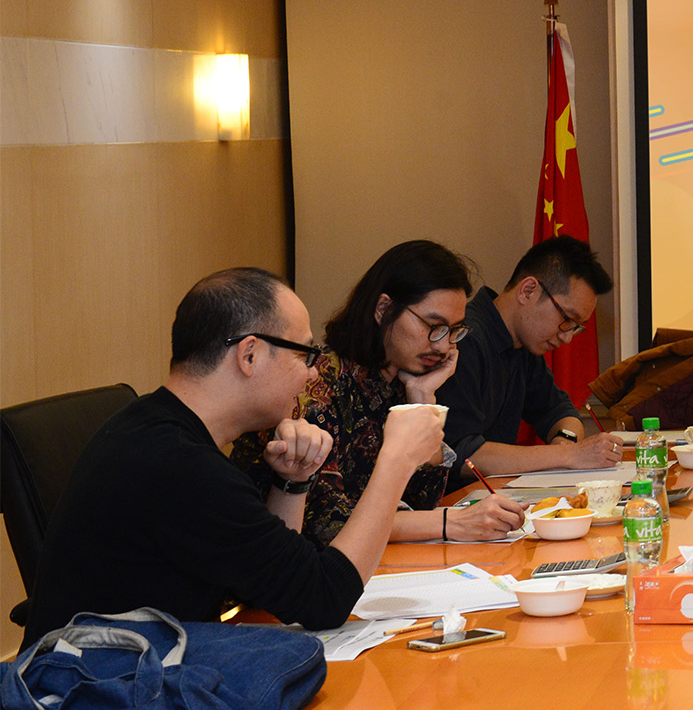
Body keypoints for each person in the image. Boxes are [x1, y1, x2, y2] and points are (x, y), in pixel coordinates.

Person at [22, 268, 444, 645]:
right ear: (249, 355)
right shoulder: (181, 465)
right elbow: (324, 600)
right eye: (304, 354)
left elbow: (268, 587)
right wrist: (396, 460)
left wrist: (292, 482)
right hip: (92, 690)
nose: (313, 372)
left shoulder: (157, 427)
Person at [229, 241, 527, 545]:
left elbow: (424, 500)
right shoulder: (315, 383)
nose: (443, 345)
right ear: (383, 309)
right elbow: (325, 524)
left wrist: (422, 399)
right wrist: (452, 522)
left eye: (453, 331)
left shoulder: (401, 383)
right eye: (433, 326)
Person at [437, 235, 619, 475]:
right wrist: (567, 455)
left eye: (576, 327)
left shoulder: (524, 344)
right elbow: (459, 454)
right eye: (566, 319)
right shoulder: (463, 339)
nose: (567, 338)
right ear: (528, 290)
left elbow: (560, 412)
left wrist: (565, 441)